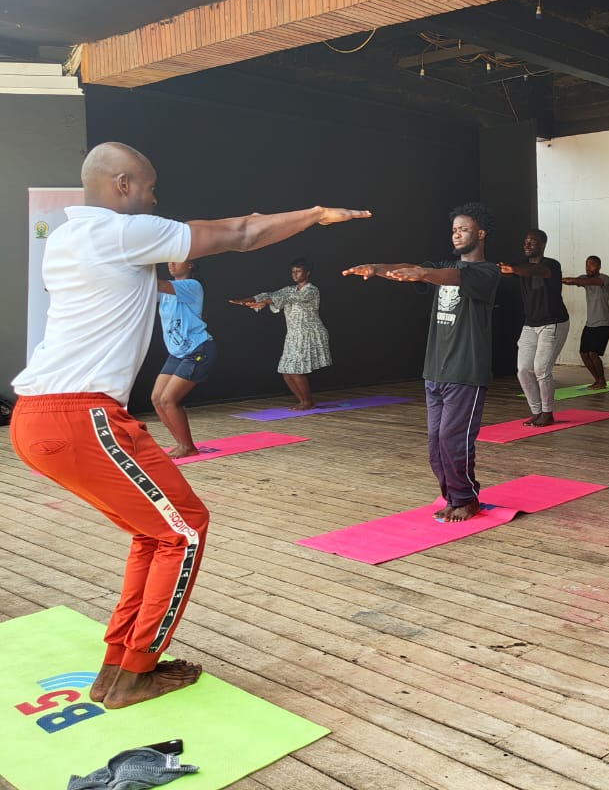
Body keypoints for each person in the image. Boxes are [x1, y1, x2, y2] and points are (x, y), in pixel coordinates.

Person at [8, 141, 368, 707]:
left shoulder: (68, 236)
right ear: (123, 184)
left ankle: (121, 664)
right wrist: (315, 214)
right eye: (150, 188)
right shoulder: (119, 231)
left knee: (155, 533)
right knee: (184, 530)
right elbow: (242, 233)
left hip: (40, 417)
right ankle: (134, 673)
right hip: (79, 415)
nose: (155, 200)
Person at [343, 202, 500, 523]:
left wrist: (425, 274)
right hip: (435, 370)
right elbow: (411, 267)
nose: (457, 234)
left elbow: (452, 276)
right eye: (454, 230)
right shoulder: (441, 266)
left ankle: (467, 499)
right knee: (435, 445)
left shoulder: (487, 272)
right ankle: (452, 498)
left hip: (465, 371)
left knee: (453, 441)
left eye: (464, 229)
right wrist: (377, 267)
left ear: (481, 234)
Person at [229, 257, 331, 410]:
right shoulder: (289, 289)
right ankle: (302, 401)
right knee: (286, 371)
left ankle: (307, 402)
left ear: (307, 273)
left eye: (298, 271)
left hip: (308, 333)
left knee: (296, 370)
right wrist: (247, 300)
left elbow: (288, 298)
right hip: (293, 335)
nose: (295, 274)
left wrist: (266, 301)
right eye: (293, 272)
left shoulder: (311, 290)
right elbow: (269, 294)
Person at [498, 230, 570, 427]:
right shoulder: (520, 265)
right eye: (525, 242)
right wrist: (504, 269)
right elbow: (517, 270)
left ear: (543, 244)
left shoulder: (551, 265)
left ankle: (547, 413)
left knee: (541, 369)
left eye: (532, 242)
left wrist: (513, 270)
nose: (527, 245)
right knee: (523, 370)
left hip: (553, 322)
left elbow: (537, 271)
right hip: (530, 324)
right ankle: (536, 411)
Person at [151, 260, 217, 458]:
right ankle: (181, 443)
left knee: (168, 399)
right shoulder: (165, 292)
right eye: (169, 260)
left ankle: (188, 446)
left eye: (177, 260)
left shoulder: (192, 286)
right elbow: (146, 290)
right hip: (177, 353)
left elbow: (156, 284)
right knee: (157, 399)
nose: (171, 264)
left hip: (198, 349)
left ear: (190, 265)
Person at [563, 255, 609, 390]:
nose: (588, 267)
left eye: (592, 264)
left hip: (603, 322)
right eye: (586, 265)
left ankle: (602, 381)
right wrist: (557, 279)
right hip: (590, 323)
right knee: (584, 353)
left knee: (593, 353)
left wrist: (577, 281)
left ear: (599, 266)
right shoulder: (584, 279)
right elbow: (572, 281)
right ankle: (597, 380)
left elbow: (589, 282)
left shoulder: (604, 279)